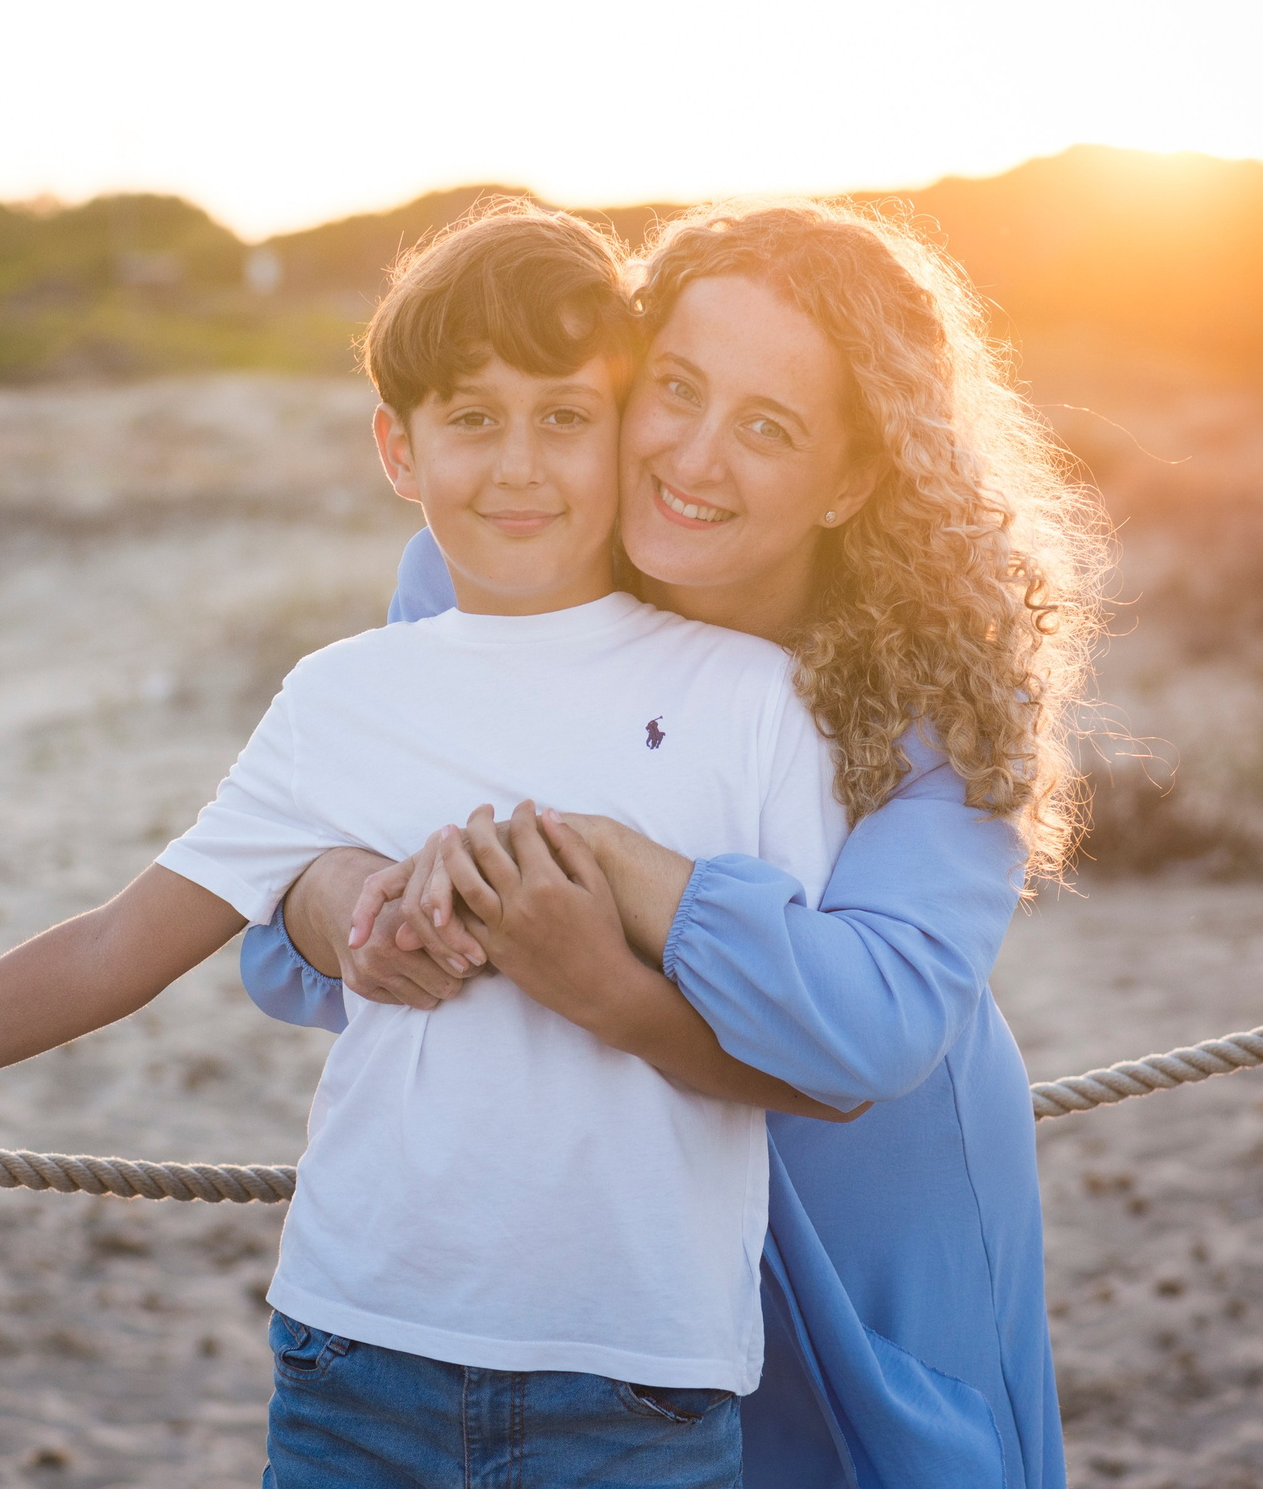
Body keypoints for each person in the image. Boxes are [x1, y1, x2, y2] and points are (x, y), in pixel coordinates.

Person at [0, 203, 868, 1488]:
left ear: (625, 430)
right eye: (470, 417)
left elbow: (817, 1060)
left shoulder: (755, 701)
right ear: (397, 448)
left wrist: (596, 972)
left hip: (640, 1387)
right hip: (358, 1358)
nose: (519, 464)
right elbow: (117, 946)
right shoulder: (338, 698)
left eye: (565, 414)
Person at [245, 197, 1107, 1489]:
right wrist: (341, 894)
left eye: (768, 427)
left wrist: (630, 897)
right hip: (607, 1212)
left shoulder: (946, 686)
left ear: (855, 474)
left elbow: (874, 1026)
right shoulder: (484, 577)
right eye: (676, 391)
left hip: (867, 1183)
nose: (695, 459)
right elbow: (293, 941)